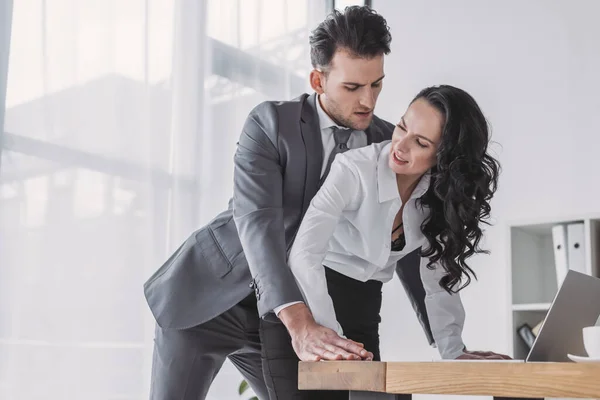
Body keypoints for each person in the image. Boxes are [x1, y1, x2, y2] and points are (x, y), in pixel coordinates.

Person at [144, 6, 434, 400]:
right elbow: (259, 226)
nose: (368, 101)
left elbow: (405, 235)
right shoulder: (269, 124)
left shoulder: (389, 143)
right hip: (211, 300)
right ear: (319, 80)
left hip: (283, 317)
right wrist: (300, 324)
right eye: (352, 88)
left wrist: (448, 342)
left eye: (377, 85)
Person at [287, 85, 511, 378]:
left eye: (420, 142)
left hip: (366, 305)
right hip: (312, 299)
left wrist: (453, 350)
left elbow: (437, 276)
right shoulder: (354, 170)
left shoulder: (441, 196)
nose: (400, 146)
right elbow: (304, 254)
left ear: (445, 157)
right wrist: (330, 335)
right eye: (402, 127)